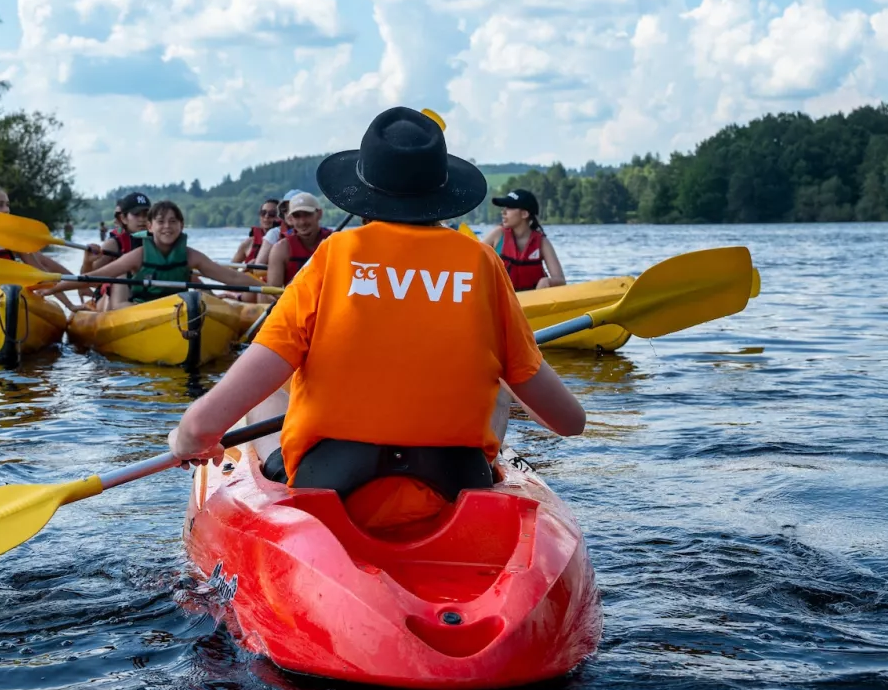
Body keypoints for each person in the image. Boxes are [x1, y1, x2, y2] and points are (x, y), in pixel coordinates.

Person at [166, 107, 585, 533]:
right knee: (498, 385)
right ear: (441, 196)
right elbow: (570, 422)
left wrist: (189, 437)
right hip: (455, 485)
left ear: (364, 193)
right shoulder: (482, 263)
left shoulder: (333, 256)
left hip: (329, 488)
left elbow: (204, 423)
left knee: (269, 392)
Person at [75, 199, 259, 311]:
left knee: (189, 276)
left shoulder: (187, 255)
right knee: (120, 278)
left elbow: (230, 276)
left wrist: (270, 290)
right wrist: (56, 288)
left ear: (181, 224)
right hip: (129, 300)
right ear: (151, 226)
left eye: (144, 214)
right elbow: (91, 278)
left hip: (169, 305)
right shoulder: (120, 247)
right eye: (136, 214)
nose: (166, 227)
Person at [481, 188, 565, 291]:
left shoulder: (542, 242)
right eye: (504, 208)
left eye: (509, 207)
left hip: (533, 300)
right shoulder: (497, 235)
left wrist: (547, 281)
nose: (503, 212)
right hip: (502, 300)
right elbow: (472, 263)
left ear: (524, 214)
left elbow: (561, 280)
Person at [267, 192, 331, 288]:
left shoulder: (334, 242)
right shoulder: (280, 248)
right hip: (294, 300)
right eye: (297, 216)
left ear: (319, 214)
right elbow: (273, 291)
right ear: (291, 219)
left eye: (307, 214)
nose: (302, 222)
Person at [231, 199, 282, 267]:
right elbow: (231, 270)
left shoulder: (284, 243)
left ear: (280, 217)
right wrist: (246, 269)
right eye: (263, 213)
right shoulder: (248, 243)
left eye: (272, 214)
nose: (266, 216)